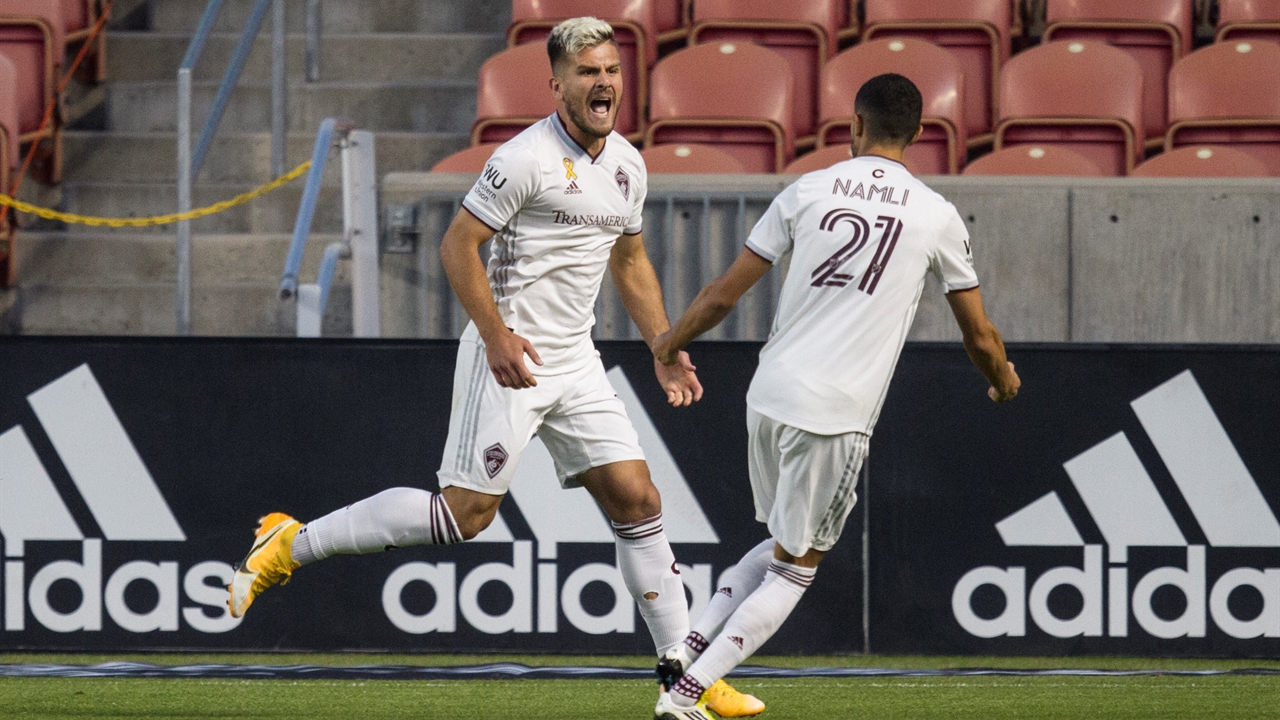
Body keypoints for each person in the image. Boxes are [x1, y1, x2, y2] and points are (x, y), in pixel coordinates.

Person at [226, 17, 762, 718]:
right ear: (558, 84)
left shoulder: (628, 163)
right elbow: (457, 246)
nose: (603, 83)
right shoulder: (522, 159)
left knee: (640, 499)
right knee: (465, 516)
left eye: (611, 70)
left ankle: (683, 677)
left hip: (577, 360)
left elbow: (628, 260)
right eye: (588, 72)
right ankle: (291, 542)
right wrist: (496, 333)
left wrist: (662, 347)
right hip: (508, 355)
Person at [648, 73, 1022, 720]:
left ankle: (686, 651)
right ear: (920, 135)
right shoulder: (935, 214)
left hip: (768, 396)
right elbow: (979, 333)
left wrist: (666, 344)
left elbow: (721, 295)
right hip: (834, 413)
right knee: (798, 566)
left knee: (779, 544)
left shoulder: (807, 189)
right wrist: (1002, 379)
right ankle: (686, 695)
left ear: (854, 126)